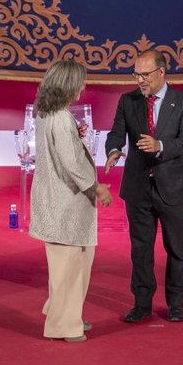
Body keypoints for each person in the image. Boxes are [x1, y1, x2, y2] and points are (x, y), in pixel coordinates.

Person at [104, 49, 183, 323]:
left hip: (174, 186)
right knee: (141, 248)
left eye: (145, 74)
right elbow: (116, 133)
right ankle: (142, 303)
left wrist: (160, 146)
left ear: (161, 72)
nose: (140, 80)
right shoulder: (128, 101)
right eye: (136, 74)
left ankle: (176, 304)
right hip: (138, 187)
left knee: (176, 248)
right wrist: (113, 150)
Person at [29, 60, 112, 343]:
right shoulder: (62, 119)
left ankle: (64, 312)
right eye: (81, 81)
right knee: (68, 267)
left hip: (56, 200)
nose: (83, 87)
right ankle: (63, 326)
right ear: (68, 84)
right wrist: (97, 187)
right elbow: (72, 162)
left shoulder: (47, 113)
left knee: (71, 265)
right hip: (65, 203)